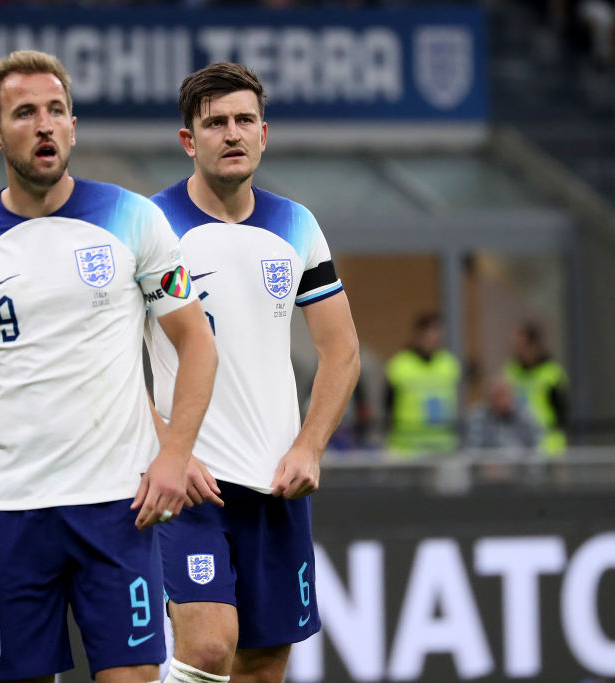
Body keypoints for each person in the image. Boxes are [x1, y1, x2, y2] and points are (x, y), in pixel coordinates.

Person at [0, 50, 217, 683]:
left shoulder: (136, 218)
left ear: (73, 126)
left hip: (116, 504)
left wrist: (174, 454)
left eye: (56, 111)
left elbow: (198, 342)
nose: (44, 124)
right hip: (10, 510)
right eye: (25, 113)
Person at [144, 63, 360, 683]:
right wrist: (167, 447)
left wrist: (309, 447)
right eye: (215, 123)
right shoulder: (149, 227)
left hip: (277, 486)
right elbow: (108, 360)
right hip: (190, 483)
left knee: (262, 665)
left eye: (244, 121)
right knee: (210, 647)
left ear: (264, 133)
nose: (232, 134)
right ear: (190, 140)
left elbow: (342, 352)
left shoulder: (296, 224)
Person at [384, 312, 461, 457]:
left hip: (444, 446)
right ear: (418, 335)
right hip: (407, 447)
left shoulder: (449, 364)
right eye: (431, 333)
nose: (436, 338)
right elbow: (387, 404)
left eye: (438, 333)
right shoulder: (399, 365)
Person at [504, 321, 569, 456]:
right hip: (519, 445)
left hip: (548, 444)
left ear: (534, 345)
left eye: (521, 345)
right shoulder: (511, 371)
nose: (517, 350)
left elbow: (562, 412)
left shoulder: (551, 372)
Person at [464, 376, 541, 451]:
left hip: (520, 463)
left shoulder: (523, 417)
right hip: (486, 463)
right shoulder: (478, 418)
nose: (502, 400)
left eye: (505, 395)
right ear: (488, 397)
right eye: (497, 395)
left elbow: (535, 447)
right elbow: (473, 449)